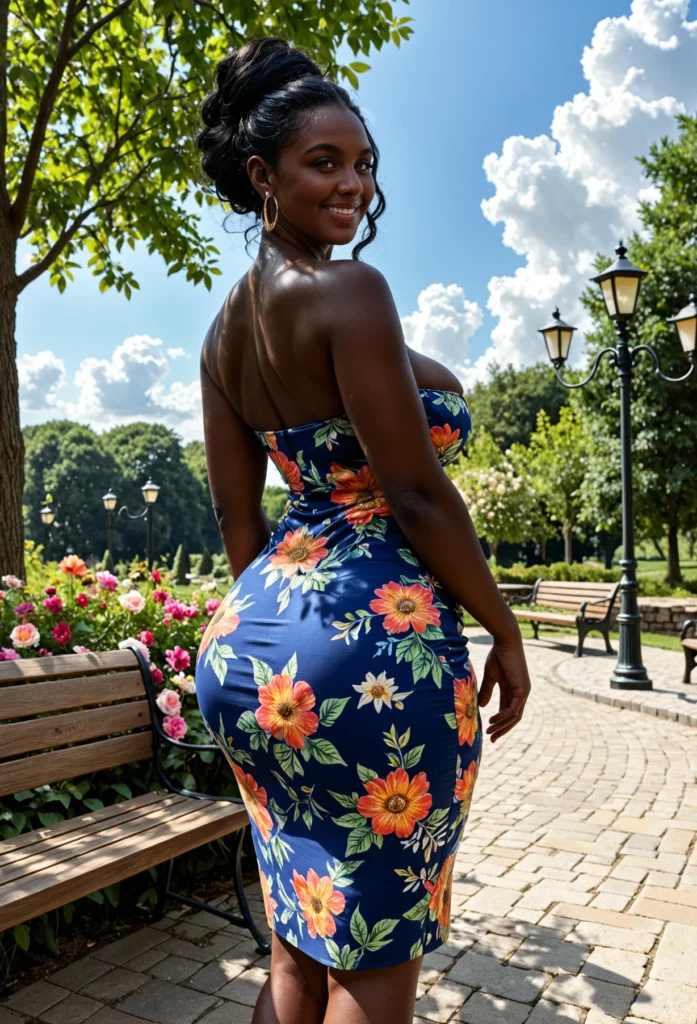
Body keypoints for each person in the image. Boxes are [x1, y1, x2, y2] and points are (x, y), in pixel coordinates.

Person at [193, 36, 531, 1024]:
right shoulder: (351, 293)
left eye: (364, 162)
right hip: (369, 648)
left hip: (252, 648)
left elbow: (234, 514)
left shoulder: (223, 330)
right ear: (263, 176)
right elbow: (418, 496)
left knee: (300, 940)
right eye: (323, 162)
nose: (353, 183)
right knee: (374, 968)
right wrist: (503, 629)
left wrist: (275, 647)